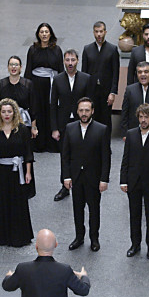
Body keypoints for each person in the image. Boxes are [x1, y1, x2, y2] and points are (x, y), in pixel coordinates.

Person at [61, 97, 111, 252]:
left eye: (87, 110)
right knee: (77, 208)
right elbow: (65, 155)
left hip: (94, 177)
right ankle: (79, 237)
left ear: (92, 111)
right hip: (76, 177)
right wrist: (66, 176)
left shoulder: (101, 130)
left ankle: (94, 238)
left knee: (94, 209)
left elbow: (105, 157)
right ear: (77, 111)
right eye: (81, 110)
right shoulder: (70, 128)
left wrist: (104, 179)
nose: (84, 113)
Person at [0, 98, 35, 247]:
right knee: (1, 202)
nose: (7, 114)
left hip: (17, 171)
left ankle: (20, 236)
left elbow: (28, 153)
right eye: (4, 112)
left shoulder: (22, 129)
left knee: (18, 202)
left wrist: (28, 172)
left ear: (14, 113)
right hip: (0, 171)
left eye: (9, 111)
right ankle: (2, 237)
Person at [120, 104, 149, 260]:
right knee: (134, 215)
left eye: (146, 117)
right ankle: (135, 244)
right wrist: (123, 181)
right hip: (133, 182)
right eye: (140, 117)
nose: (143, 120)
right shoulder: (131, 134)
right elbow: (125, 160)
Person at [51, 50, 91, 201]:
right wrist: (54, 128)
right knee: (65, 155)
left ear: (77, 61)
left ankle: (84, 183)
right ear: (63, 61)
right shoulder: (58, 79)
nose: (70, 63)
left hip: (82, 121)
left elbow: (90, 103)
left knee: (84, 154)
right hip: (64, 123)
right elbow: (53, 104)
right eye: (67, 60)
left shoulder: (86, 79)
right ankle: (65, 186)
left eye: (72, 60)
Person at [25, 23, 65, 152]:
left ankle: (52, 142)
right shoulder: (33, 49)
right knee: (37, 109)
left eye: (46, 32)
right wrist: (26, 85)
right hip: (36, 84)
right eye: (41, 32)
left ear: (50, 34)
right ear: (38, 34)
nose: (44, 34)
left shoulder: (57, 50)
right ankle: (38, 143)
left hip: (51, 83)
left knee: (51, 109)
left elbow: (60, 69)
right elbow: (29, 69)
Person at [80, 21, 120, 126]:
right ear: (93, 32)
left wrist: (113, 92)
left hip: (106, 91)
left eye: (101, 31)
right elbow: (84, 72)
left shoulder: (112, 49)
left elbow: (116, 72)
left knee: (106, 118)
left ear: (105, 32)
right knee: (92, 118)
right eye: (96, 32)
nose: (99, 34)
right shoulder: (87, 49)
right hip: (91, 90)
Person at [0, 56, 37, 134]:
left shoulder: (28, 84)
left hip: (23, 122)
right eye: (11, 64)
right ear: (8, 67)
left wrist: (34, 127)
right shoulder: (0, 84)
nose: (13, 67)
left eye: (16, 65)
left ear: (21, 67)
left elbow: (33, 107)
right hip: (4, 121)